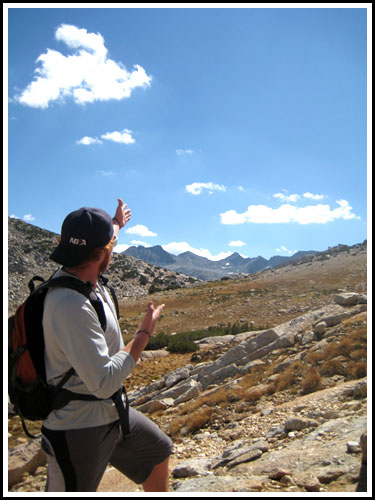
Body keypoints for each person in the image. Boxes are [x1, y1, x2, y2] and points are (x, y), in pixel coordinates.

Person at [40, 199, 173, 492]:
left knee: (157, 452)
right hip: (78, 426)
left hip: (111, 413)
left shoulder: (85, 273)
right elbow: (104, 383)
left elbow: (104, 239)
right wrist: (143, 335)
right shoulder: (69, 304)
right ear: (102, 254)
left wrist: (115, 224)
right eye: (109, 244)